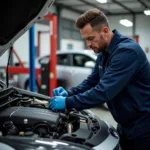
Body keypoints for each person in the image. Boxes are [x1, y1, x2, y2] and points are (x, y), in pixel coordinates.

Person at [49, 8, 150, 150]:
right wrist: (69, 93)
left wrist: (67, 102)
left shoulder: (127, 52)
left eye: (91, 38)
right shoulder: (104, 53)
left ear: (105, 31)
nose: (88, 45)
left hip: (144, 127)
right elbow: (92, 81)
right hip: (125, 125)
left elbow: (103, 92)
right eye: (85, 40)